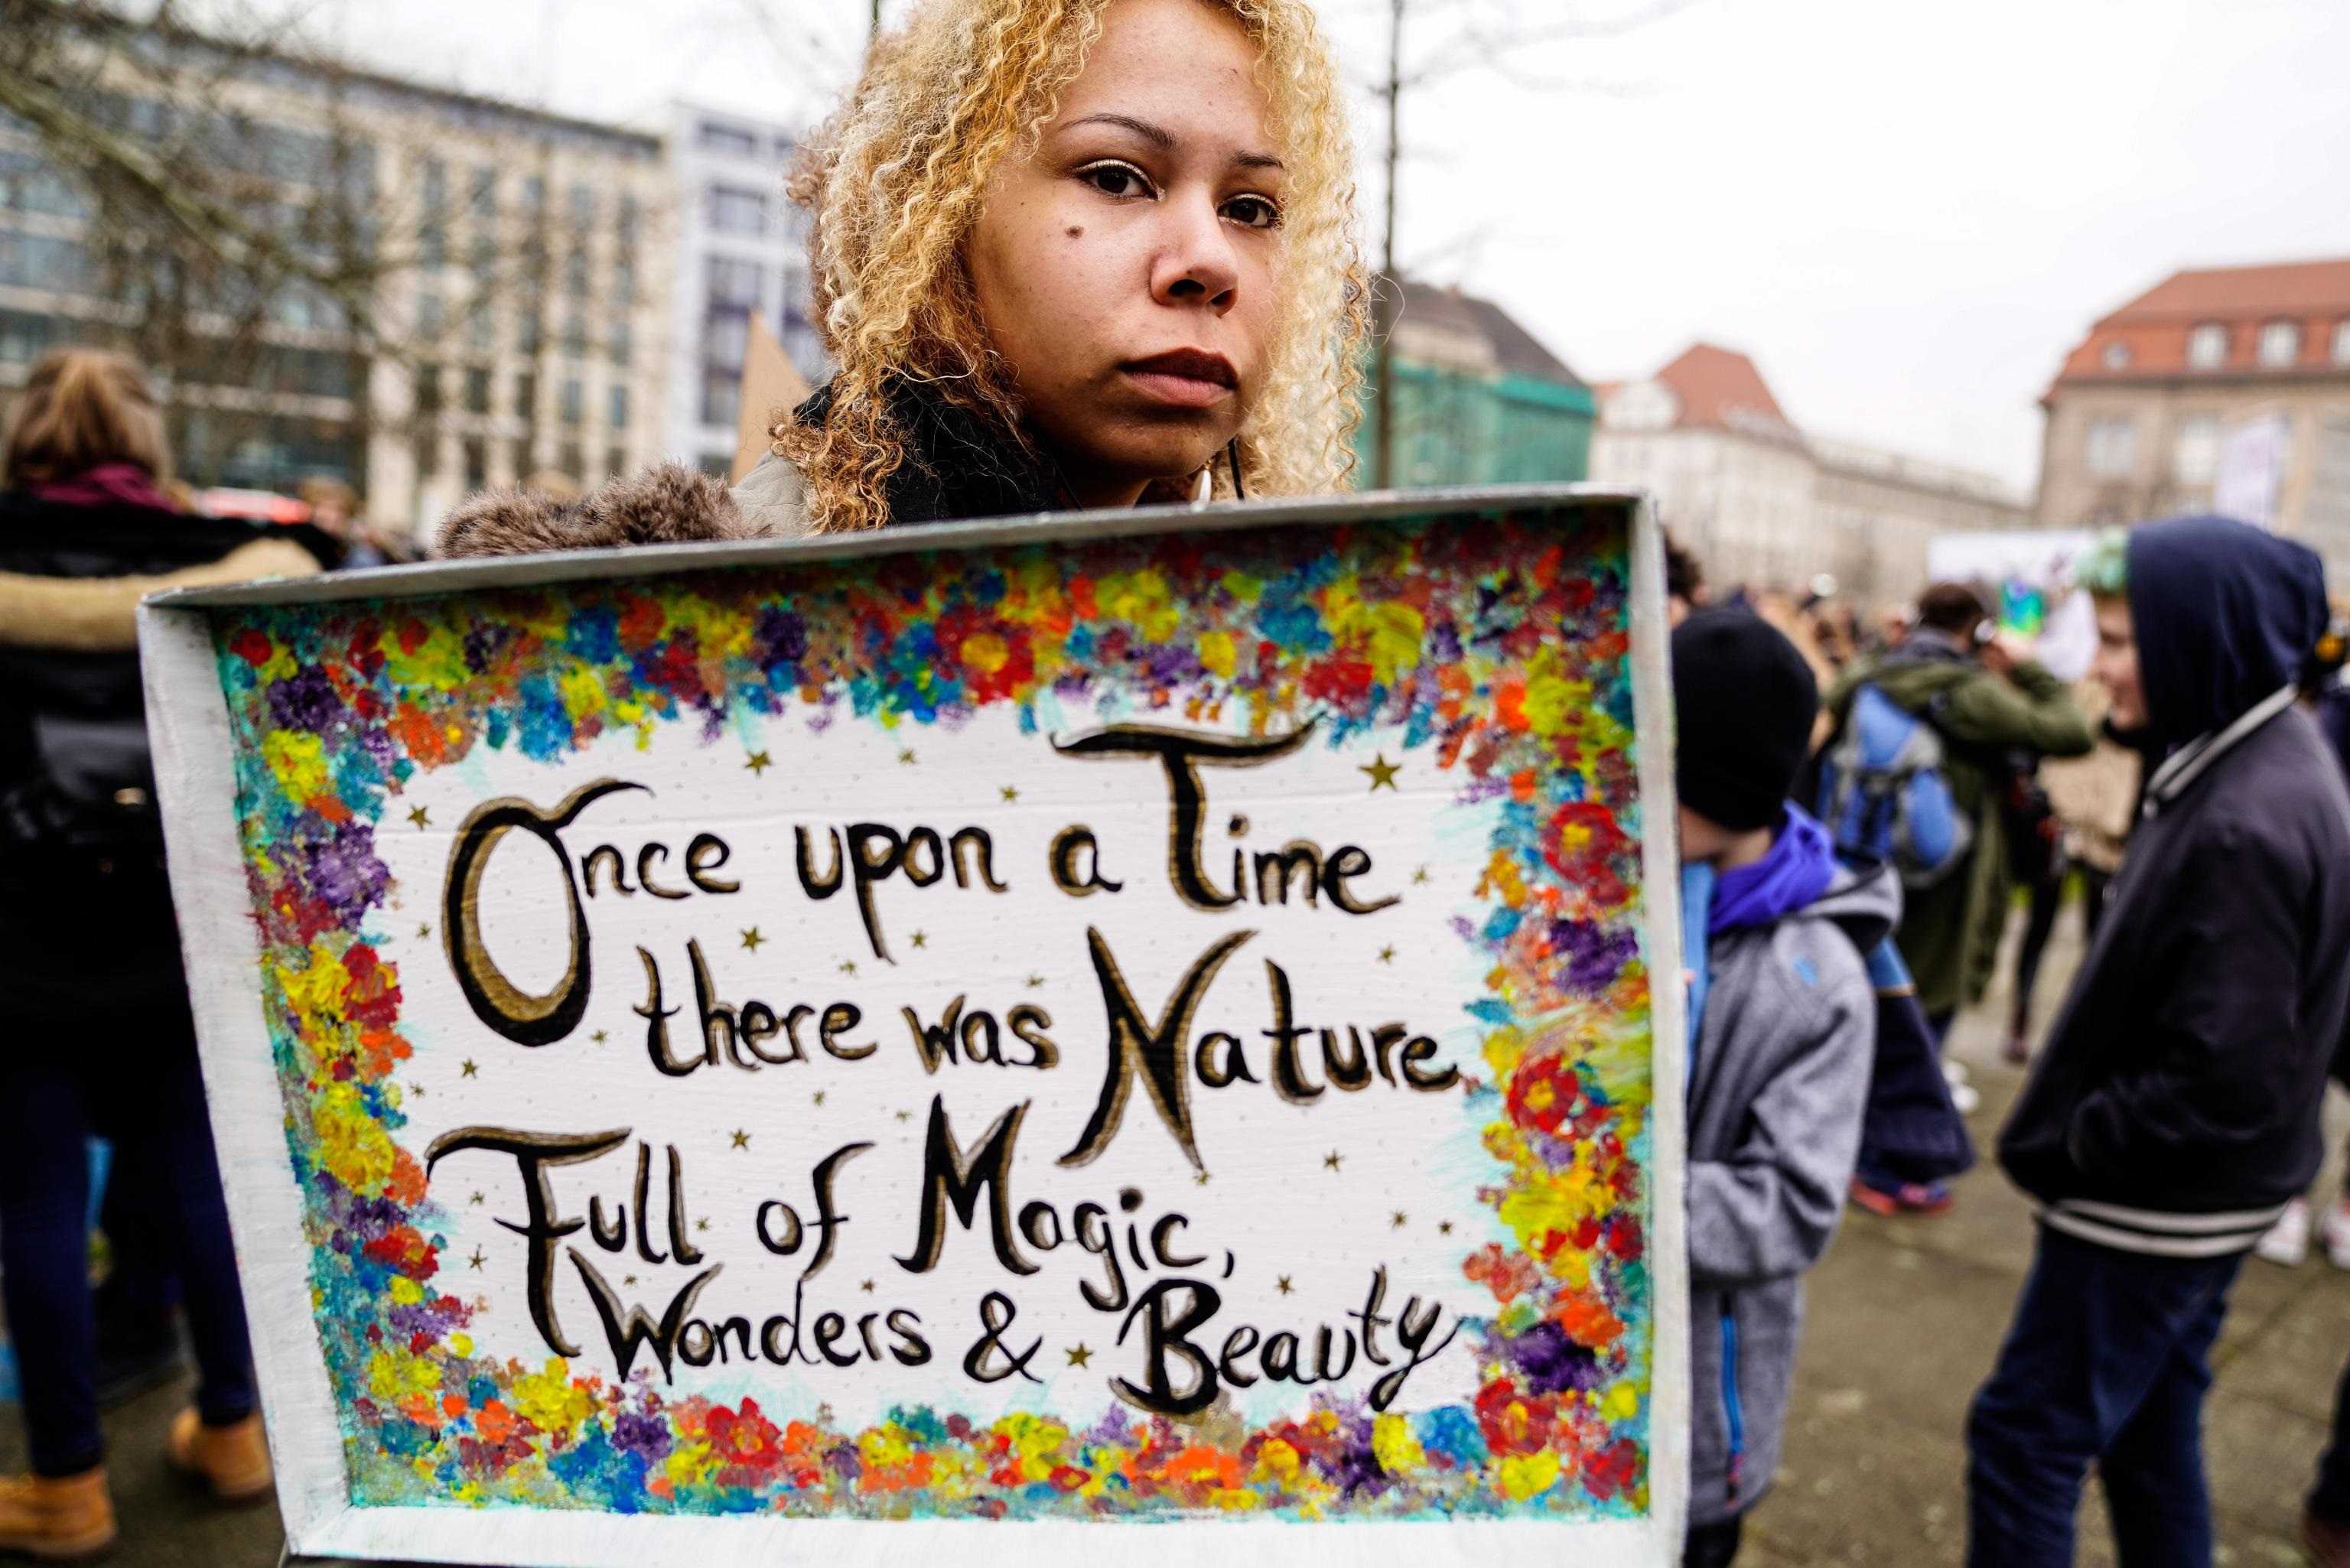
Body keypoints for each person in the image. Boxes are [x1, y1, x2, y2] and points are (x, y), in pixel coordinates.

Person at [435, 0, 1365, 557]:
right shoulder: (689, 636)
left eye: (1253, 210)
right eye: (1117, 178)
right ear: (939, 221)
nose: (1207, 260)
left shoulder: (1284, 668)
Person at [1967, 517, 2350, 1568]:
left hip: (2152, 1207)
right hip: (2205, 1198)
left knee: (2022, 1444)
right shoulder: (2263, 758)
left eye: (2125, 641)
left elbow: (2221, 1072)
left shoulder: (2246, 813)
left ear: (2205, 637)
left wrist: (2080, 1137)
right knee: (2146, 1435)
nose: (2099, 667)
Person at [0, 349, 323, 1554]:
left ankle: (69, 1488)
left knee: (33, 1211)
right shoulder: (218, 561)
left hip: (20, 949)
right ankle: (237, 1433)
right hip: (174, 945)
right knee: (205, 1188)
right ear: (145, 438)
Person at [1675, 610, 1893, 1568]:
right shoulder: (1597, 898)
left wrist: (1597, 1197)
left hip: (1695, 1432)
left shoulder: (1818, 982)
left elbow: (1789, 1206)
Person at [1821, 582, 2091, 1215]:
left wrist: (1878, 648)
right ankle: (1883, 1167)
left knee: (1876, 1006)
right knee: (1924, 1019)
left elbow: (1833, 696)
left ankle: (1856, 1152)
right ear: (1975, 629)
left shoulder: (1879, 673)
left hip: (1873, 864)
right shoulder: (1968, 693)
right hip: (1950, 878)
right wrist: (2026, 667)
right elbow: (2071, 729)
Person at [2003, 678, 2137, 1065]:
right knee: (2039, 928)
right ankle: (2021, 1017)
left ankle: (2083, 1029)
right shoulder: (2075, 694)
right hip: (2061, 827)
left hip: (2106, 837)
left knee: (2097, 939)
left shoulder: (2133, 703)